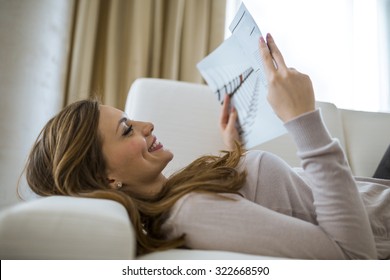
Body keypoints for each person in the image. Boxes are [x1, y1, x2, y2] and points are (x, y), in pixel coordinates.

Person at [24, 33, 390, 259]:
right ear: (107, 179)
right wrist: (303, 119)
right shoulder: (189, 213)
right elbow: (353, 260)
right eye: (126, 130)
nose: (146, 125)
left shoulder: (180, 197)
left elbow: (265, 205)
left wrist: (234, 149)